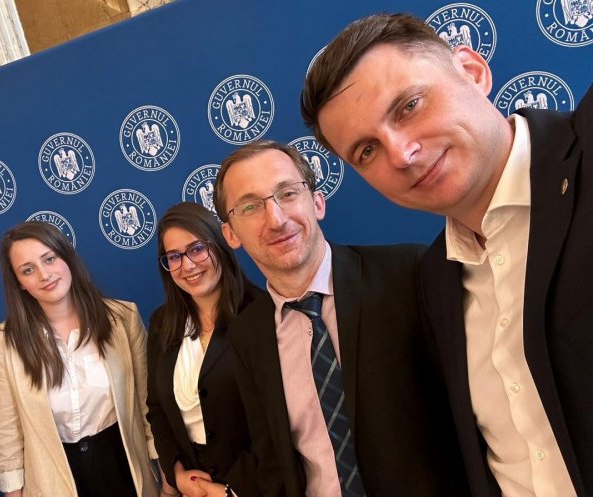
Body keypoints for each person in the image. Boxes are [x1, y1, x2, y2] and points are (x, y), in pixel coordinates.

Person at [302, 12, 593, 497]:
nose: (401, 154)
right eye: (367, 151)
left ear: (472, 72)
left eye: (409, 106)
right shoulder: (435, 280)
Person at [213, 139, 468, 497]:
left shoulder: (407, 274)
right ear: (230, 234)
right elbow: (273, 461)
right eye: (250, 206)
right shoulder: (247, 335)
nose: (276, 219)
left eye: (287, 194)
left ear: (317, 202)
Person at [0, 221, 158, 497]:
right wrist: (13, 491)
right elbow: (7, 428)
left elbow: (147, 403)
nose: (44, 274)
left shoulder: (123, 319)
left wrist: (164, 475)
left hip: (122, 468)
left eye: (49, 259)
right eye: (28, 270)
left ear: (66, 257)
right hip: (52, 479)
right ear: (19, 283)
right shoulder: (4, 340)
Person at [146, 202, 266, 497]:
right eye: (174, 256)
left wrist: (230, 490)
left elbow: (279, 422)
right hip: (192, 488)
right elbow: (157, 408)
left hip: (256, 486)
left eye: (197, 249)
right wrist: (176, 473)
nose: (187, 265)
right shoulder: (162, 322)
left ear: (220, 245)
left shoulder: (263, 315)